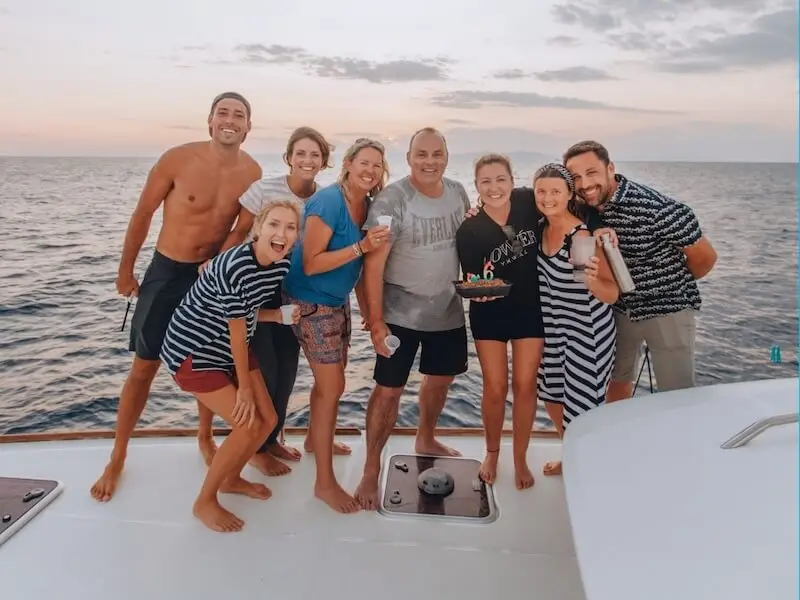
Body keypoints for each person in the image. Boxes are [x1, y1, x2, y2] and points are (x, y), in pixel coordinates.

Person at [90, 92, 262, 502]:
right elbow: (143, 214)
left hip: (210, 277)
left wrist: (221, 263)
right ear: (209, 120)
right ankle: (117, 456)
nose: (230, 120)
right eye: (223, 112)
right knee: (144, 367)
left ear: (248, 126)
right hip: (168, 272)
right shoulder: (177, 159)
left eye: (239, 115)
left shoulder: (252, 171)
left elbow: (241, 228)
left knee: (211, 361)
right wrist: (125, 270)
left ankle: (204, 438)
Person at [196, 126, 338, 477]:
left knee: (288, 369)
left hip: (292, 292)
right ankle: (253, 447)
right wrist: (217, 262)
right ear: (289, 157)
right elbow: (240, 231)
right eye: (300, 153)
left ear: (323, 161)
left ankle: (272, 438)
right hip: (256, 289)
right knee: (266, 368)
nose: (307, 160)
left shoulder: (323, 198)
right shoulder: (264, 190)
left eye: (315, 155)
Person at [159, 199, 301, 532]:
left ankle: (231, 478)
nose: (281, 233)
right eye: (274, 224)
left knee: (268, 420)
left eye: (291, 227)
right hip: (194, 350)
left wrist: (275, 316)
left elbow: (245, 313)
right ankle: (204, 501)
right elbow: (237, 333)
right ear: (258, 229)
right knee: (249, 423)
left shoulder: (280, 264)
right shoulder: (235, 266)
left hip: (230, 343)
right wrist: (245, 390)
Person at [354, 127, 471, 510]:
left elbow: (467, 246)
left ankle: (425, 437)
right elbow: (373, 267)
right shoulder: (392, 200)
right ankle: (372, 467)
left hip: (446, 309)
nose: (430, 161)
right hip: (399, 314)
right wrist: (375, 322)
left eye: (437, 153)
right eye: (422, 154)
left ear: (447, 157)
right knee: (388, 391)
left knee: (440, 382)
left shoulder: (458, 193)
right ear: (408, 158)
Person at [563, 141, 717, 402]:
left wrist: (667, 287)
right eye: (576, 177)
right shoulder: (580, 207)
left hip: (668, 310)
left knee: (677, 396)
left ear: (610, 168)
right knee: (615, 385)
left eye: (592, 173)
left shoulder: (657, 209)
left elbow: (705, 258)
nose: (585, 183)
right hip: (619, 311)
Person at [282, 138, 390, 513]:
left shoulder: (370, 207)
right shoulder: (328, 201)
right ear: (347, 163)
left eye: (377, 165)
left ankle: (314, 440)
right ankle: (324, 484)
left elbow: (359, 271)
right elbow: (311, 262)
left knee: (329, 383)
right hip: (307, 300)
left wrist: (369, 315)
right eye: (364, 162)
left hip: (336, 301)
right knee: (334, 386)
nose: (370, 170)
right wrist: (362, 247)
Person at [455, 154, 544, 490]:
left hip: (530, 309)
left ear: (512, 180)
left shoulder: (528, 201)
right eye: (485, 182)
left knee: (525, 385)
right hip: (490, 314)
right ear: (476, 186)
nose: (494, 188)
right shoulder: (470, 228)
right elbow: (472, 277)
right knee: (495, 387)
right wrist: (478, 292)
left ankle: (519, 456)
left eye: (500, 179)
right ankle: (492, 452)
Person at [534, 163, 619, 476]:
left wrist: (593, 279)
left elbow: (610, 294)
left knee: (582, 409)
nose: (547, 197)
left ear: (569, 194)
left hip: (586, 335)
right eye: (541, 191)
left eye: (555, 191)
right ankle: (572, 454)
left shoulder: (581, 238)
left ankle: (590, 469)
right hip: (555, 333)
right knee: (553, 397)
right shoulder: (539, 228)